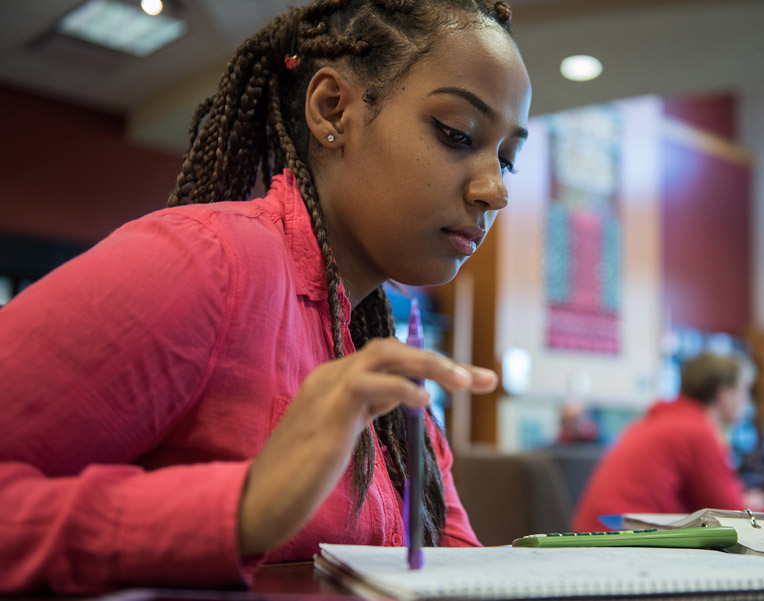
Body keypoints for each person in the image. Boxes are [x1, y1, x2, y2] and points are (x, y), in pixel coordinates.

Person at [0, 0, 531, 593]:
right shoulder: (206, 263)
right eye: (457, 134)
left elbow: (456, 571)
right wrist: (242, 508)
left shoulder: (381, 357)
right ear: (334, 109)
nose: (494, 191)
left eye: (507, 160)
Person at [572, 352, 764, 532]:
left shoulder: (659, 421)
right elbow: (731, 518)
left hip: (597, 534)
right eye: (744, 390)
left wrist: (738, 502)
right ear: (724, 394)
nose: (748, 402)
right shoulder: (697, 431)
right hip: (621, 544)